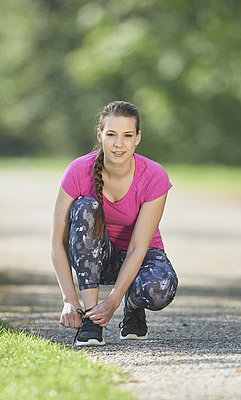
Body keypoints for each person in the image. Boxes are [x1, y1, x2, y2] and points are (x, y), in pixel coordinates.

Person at [51, 100, 178, 346]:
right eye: (111, 135)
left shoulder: (154, 175)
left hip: (139, 256)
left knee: (160, 290)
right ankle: (91, 320)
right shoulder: (78, 170)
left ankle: (133, 305)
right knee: (85, 207)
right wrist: (69, 299)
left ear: (137, 138)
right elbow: (57, 242)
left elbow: (138, 248)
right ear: (100, 135)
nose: (119, 144)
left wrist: (114, 300)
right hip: (99, 258)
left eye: (127, 135)